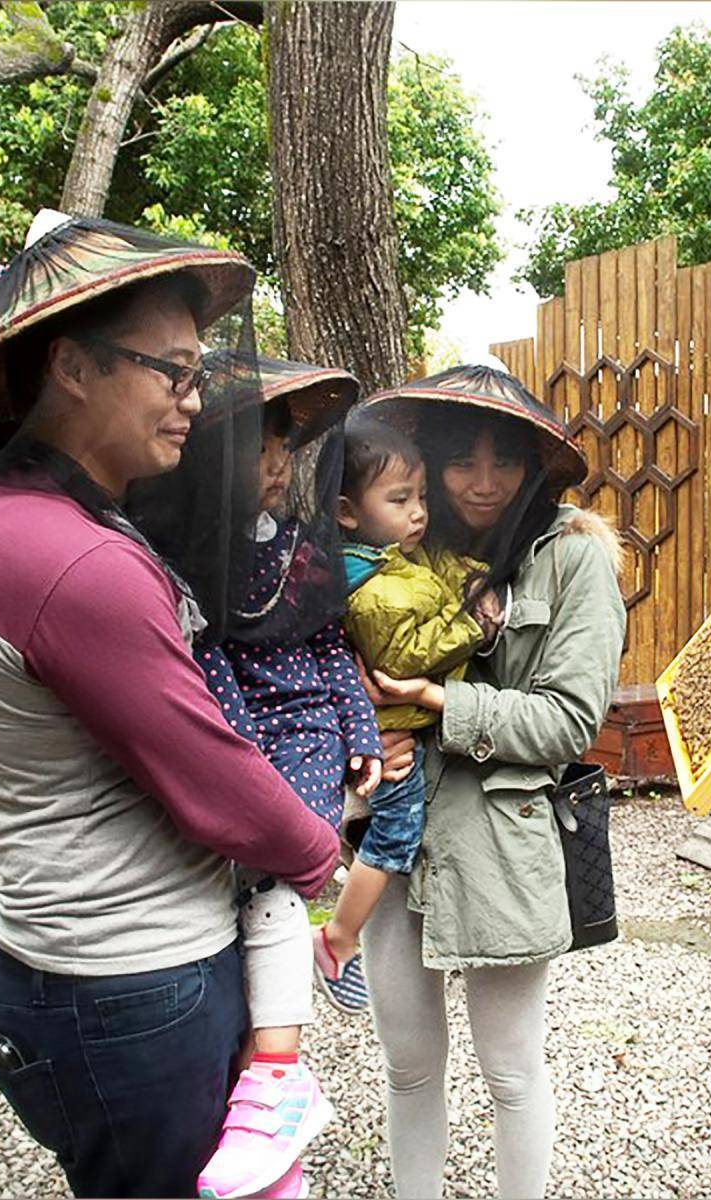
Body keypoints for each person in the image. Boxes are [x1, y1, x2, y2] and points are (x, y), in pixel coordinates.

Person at [0, 209, 339, 1200]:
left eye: (197, 374)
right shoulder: (73, 558)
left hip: (75, 967)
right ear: (72, 367)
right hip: (129, 983)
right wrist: (326, 848)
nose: (194, 402)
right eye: (172, 370)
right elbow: (215, 787)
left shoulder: (28, 518)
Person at [354, 365, 628, 1200]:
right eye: (460, 462)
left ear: (533, 467)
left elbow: (567, 723)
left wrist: (440, 701)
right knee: (407, 1067)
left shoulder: (573, 561)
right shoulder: (395, 551)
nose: (480, 482)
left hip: (505, 844)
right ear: (429, 464)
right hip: (395, 836)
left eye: (501, 461)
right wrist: (363, 728)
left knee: (511, 1071)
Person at [149, 355, 382, 1200]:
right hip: (244, 736)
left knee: (276, 885)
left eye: (286, 447)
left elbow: (329, 645)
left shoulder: (300, 548)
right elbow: (203, 663)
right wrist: (241, 763)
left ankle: (278, 1078)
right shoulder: (186, 551)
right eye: (260, 447)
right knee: (253, 889)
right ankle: (270, 1081)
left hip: (313, 728)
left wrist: (362, 729)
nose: (280, 464)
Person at [312, 412, 504, 1010]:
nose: (418, 512)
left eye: (420, 496)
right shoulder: (364, 584)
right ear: (347, 511)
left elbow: (436, 576)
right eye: (400, 499)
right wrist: (472, 625)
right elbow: (404, 658)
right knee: (395, 834)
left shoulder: (394, 556)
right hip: (393, 739)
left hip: (402, 732)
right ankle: (339, 937)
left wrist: (473, 577)